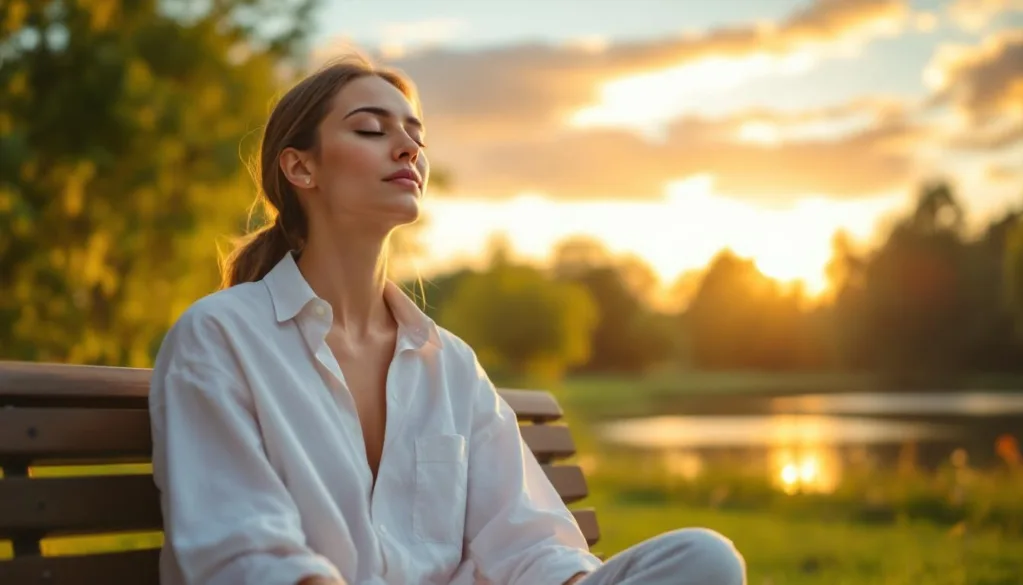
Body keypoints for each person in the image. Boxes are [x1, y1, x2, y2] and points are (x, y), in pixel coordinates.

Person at [148, 54, 746, 585]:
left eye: (415, 136)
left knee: (704, 559)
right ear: (302, 170)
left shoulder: (450, 363)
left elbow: (527, 539)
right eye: (370, 130)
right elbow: (244, 551)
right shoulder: (220, 337)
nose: (407, 148)